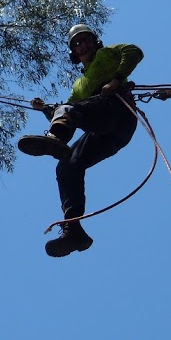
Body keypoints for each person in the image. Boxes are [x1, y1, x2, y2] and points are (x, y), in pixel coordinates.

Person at [18, 24, 144, 257]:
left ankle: (55, 139)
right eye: (77, 43)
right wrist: (45, 108)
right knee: (67, 165)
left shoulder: (109, 53)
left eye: (86, 40)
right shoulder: (80, 84)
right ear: (73, 54)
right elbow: (70, 109)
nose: (82, 45)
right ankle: (73, 229)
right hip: (107, 134)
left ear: (96, 42)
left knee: (67, 112)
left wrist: (116, 80)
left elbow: (134, 51)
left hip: (118, 112)